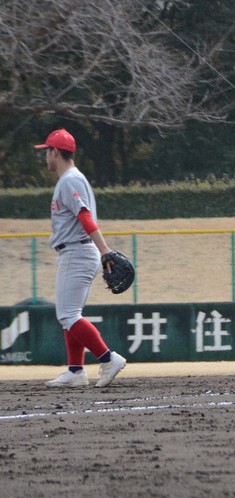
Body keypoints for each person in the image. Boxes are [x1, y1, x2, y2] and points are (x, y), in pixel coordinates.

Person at [36, 129, 127, 388]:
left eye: (46, 151)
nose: (45, 157)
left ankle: (108, 358)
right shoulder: (70, 179)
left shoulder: (70, 180)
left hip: (77, 251)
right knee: (70, 314)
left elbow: (85, 217)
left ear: (55, 152)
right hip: (75, 251)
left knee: (67, 315)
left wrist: (105, 250)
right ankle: (76, 371)